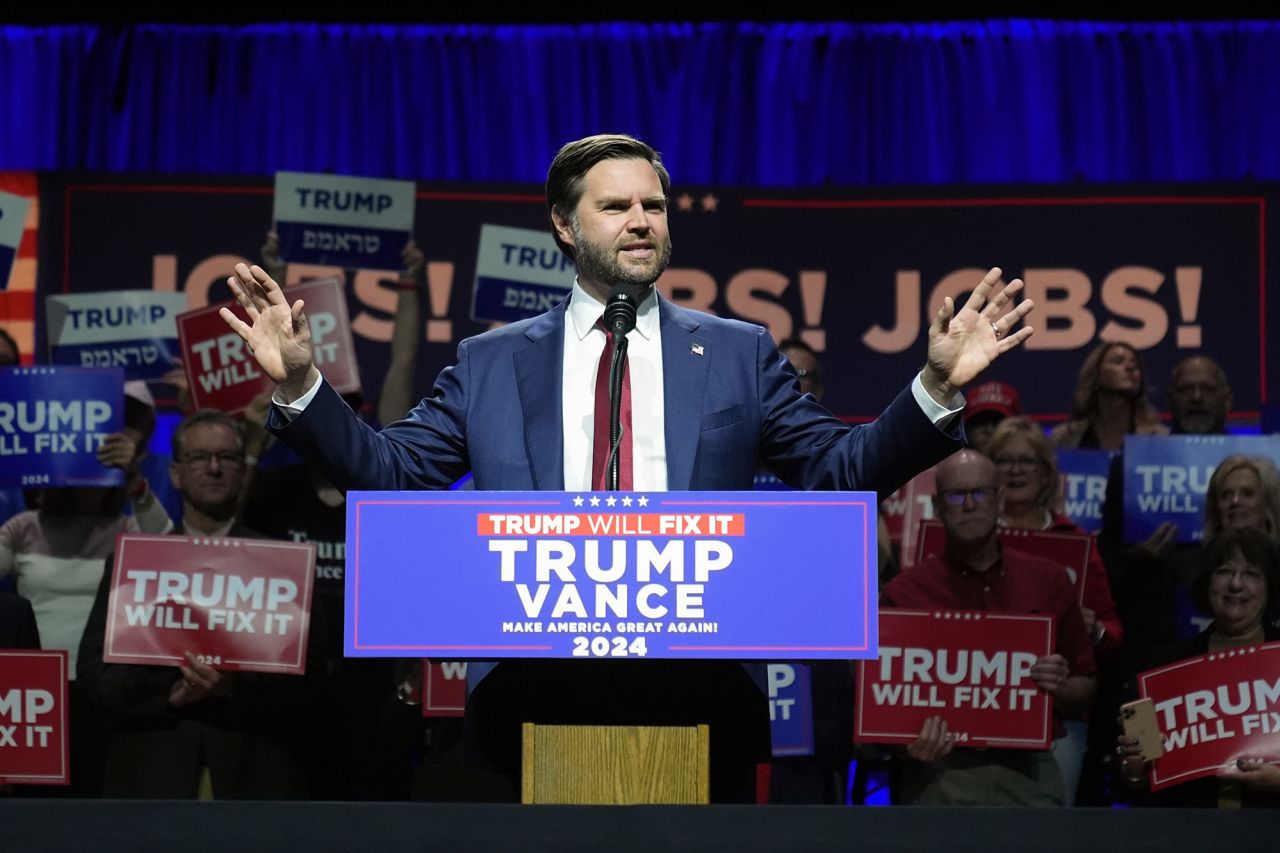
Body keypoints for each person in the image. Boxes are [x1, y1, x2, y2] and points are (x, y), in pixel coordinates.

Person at [218, 133, 1036, 802]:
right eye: (616, 206)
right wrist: (299, 384)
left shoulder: (738, 353)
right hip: (532, 689)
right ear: (566, 227)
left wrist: (933, 388)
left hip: (700, 686)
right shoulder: (492, 360)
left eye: (654, 204)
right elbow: (392, 477)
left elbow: (837, 469)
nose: (642, 219)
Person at [77, 409, 316, 799]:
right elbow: (95, 680)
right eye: (199, 457)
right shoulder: (134, 562)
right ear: (175, 473)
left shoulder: (282, 565)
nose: (214, 468)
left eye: (227, 457)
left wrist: (231, 688)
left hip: (253, 779)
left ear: (242, 471)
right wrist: (169, 693)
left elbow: (312, 687)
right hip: (151, 775)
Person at [880, 449, 1097, 806]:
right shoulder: (904, 593)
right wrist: (906, 747)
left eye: (980, 493)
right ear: (937, 506)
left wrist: (1057, 686)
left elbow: (1086, 686)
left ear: (999, 501)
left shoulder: (1048, 579)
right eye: (956, 495)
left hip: (1030, 769)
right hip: (940, 771)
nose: (969, 505)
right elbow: (882, 705)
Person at [986, 415, 1122, 804]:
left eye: (1026, 461)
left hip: (1056, 718)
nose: (1014, 471)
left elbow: (1113, 631)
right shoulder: (967, 534)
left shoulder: (1074, 543)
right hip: (979, 706)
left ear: (1046, 474)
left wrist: (1093, 631)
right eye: (1003, 461)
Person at [1115, 527, 1280, 807]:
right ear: (1206, 582)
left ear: (1271, 587)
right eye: (1224, 571)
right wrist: (1133, 769)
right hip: (1186, 827)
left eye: (1251, 574)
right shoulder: (1162, 667)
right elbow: (1133, 781)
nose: (1236, 584)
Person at [1049, 341, 1168, 452]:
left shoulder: (1160, 438)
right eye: (1118, 361)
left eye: (1135, 365)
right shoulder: (1063, 438)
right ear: (1097, 374)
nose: (1130, 368)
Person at [963, 379, 1021, 455]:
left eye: (998, 422)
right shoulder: (949, 465)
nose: (989, 430)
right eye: (980, 421)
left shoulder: (1037, 465)